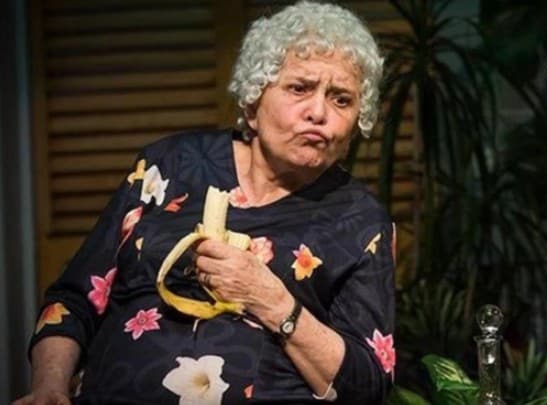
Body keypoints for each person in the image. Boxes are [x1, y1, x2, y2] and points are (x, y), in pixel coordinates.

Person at [15, 1, 396, 404]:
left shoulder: (360, 222)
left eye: (341, 100)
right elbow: (73, 300)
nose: (318, 112)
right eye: (299, 88)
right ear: (252, 101)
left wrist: (273, 301)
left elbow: (367, 384)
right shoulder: (169, 166)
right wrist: (49, 388)